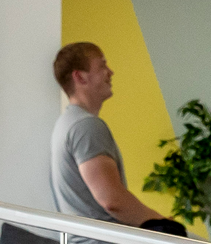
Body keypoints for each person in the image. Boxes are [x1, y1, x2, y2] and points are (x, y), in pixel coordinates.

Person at [50, 41, 174, 228]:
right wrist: (162, 225)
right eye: (102, 66)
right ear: (80, 77)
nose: (110, 72)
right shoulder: (87, 126)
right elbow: (113, 201)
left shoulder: (68, 122)